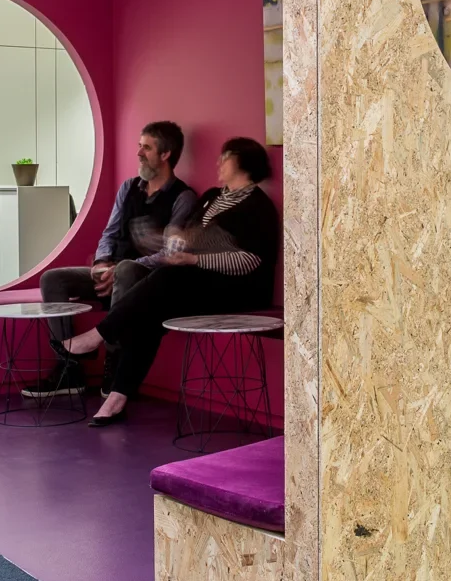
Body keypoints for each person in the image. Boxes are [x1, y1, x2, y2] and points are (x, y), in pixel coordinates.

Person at [52, 136, 278, 428]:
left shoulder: (258, 207)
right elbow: (192, 239)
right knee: (150, 309)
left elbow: (250, 261)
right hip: (198, 282)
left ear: (245, 163)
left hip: (238, 289)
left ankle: (98, 336)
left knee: (168, 277)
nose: (218, 162)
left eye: (226, 156)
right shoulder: (212, 196)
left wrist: (194, 260)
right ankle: (117, 398)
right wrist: (169, 243)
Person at [30, 120, 195, 398]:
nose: (139, 152)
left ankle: (115, 363)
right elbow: (110, 232)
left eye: (147, 147)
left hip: (142, 278)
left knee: (128, 269)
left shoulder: (184, 198)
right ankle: (69, 368)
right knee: (53, 278)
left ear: (166, 154)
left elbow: (170, 254)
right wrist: (101, 264)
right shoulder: (128, 188)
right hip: (113, 270)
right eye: (139, 146)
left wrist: (119, 269)